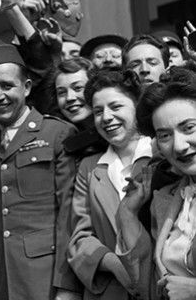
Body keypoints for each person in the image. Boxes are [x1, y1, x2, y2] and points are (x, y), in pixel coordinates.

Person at [0, 44, 80, 300]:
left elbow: (70, 215)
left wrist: (67, 285)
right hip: (3, 281)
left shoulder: (56, 133)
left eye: (7, 85)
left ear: (26, 87)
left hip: (47, 279)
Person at [67, 69, 153, 299]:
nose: (105, 117)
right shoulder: (89, 168)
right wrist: (114, 263)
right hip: (112, 289)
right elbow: (79, 238)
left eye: (115, 107)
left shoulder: (161, 155)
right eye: (97, 111)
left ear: (137, 105)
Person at [116, 67, 196, 299]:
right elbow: (146, 286)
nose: (179, 145)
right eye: (165, 135)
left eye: (188, 128)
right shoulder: (167, 198)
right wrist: (128, 212)